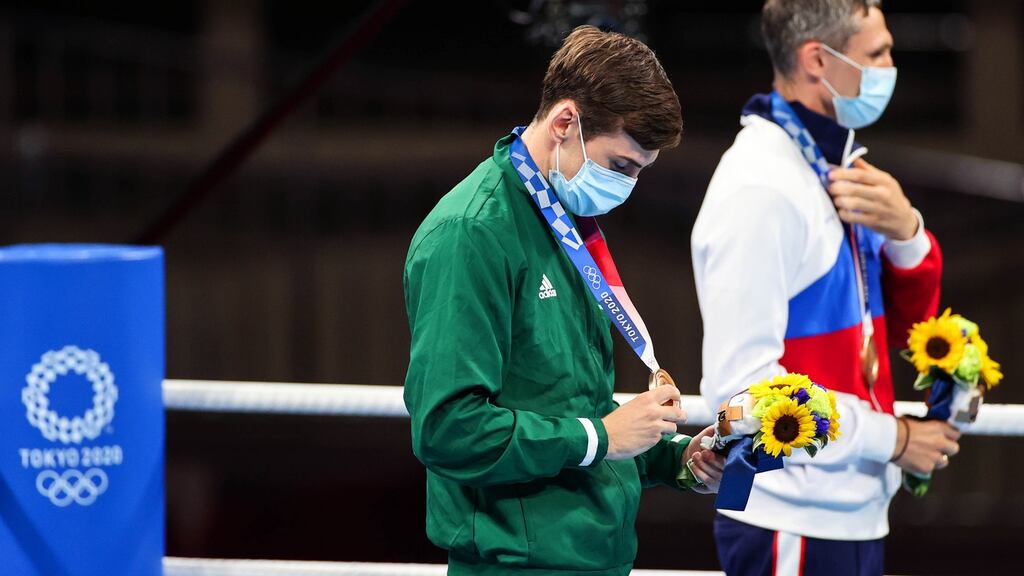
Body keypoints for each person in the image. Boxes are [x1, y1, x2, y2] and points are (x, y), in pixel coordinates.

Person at [404, 25, 724, 576]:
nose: (627, 185)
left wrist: (676, 459)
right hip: (516, 565)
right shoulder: (471, 233)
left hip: (597, 556)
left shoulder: (562, 218)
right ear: (565, 123)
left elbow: (572, 411)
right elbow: (448, 429)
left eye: (639, 172)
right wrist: (601, 435)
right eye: (621, 165)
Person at [690, 1, 960, 575]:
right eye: (878, 53)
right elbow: (740, 393)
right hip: (790, 517)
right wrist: (892, 438)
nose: (892, 66)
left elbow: (906, 327)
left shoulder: (835, 165)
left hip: (848, 508)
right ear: (819, 59)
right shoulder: (760, 187)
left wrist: (908, 232)